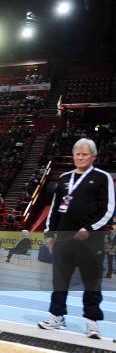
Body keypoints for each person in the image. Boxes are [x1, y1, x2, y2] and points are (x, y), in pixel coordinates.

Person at [38, 138, 115, 339]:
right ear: (73, 156)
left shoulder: (102, 177)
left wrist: (89, 228)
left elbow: (108, 209)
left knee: (92, 282)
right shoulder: (64, 178)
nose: (80, 157)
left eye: (84, 154)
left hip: (90, 240)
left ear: (93, 157)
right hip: (63, 239)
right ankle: (56, 316)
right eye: (77, 154)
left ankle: (92, 322)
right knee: (60, 280)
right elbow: (55, 208)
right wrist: (49, 233)